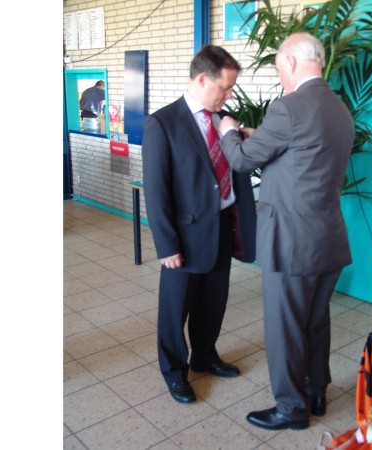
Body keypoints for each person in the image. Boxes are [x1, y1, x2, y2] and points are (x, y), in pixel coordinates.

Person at [218, 32, 355, 430]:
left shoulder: (289, 107)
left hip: (292, 243)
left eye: (279, 69)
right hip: (327, 239)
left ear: (291, 62)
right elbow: (303, 154)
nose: (281, 77)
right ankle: (316, 391)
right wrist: (258, 136)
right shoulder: (340, 109)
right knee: (315, 321)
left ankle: (291, 409)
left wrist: (229, 131)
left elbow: (242, 160)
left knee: (285, 327)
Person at [141, 45, 257, 404]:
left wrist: (246, 138)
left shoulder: (225, 121)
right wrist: (167, 245)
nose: (229, 95)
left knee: (213, 301)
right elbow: (156, 191)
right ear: (203, 79)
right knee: (175, 308)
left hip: (222, 225)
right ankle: (174, 371)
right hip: (185, 235)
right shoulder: (163, 123)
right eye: (225, 86)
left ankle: (205, 356)